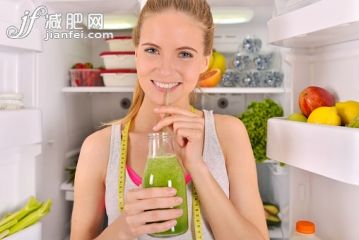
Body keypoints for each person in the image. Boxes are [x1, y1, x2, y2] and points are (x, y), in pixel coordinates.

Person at [70, 0, 269, 239]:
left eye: (185, 54)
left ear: (204, 61)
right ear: (136, 53)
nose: (165, 70)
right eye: (152, 50)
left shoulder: (229, 135)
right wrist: (125, 227)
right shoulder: (99, 148)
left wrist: (198, 168)